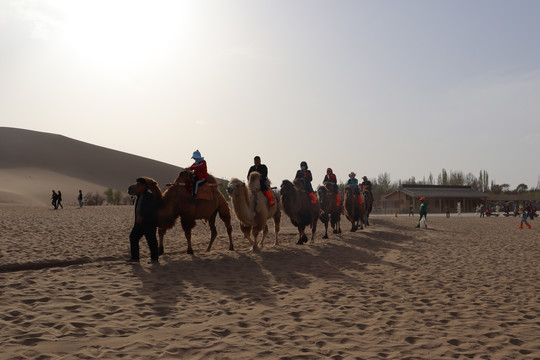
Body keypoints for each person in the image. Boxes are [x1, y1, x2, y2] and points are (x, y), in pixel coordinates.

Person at [128, 178, 159, 264]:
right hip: (139, 223)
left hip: (149, 222)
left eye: (138, 185)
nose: (136, 187)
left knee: (151, 240)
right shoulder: (140, 195)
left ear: (144, 186)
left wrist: (142, 216)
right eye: (136, 185)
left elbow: (151, 208)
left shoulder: (149, 196)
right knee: (133, 237)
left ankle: (154, 259)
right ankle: (135, 258)